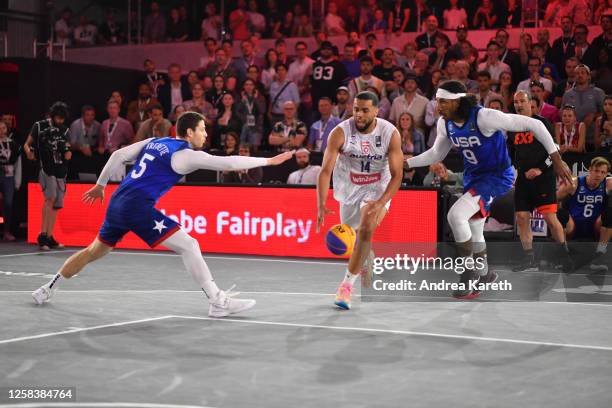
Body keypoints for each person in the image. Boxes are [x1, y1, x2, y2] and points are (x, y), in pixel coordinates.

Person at [32, 112, 292, 316]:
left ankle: (47, 288)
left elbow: (120, 155)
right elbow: (229, 163)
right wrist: (269, 161)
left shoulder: (156, 142)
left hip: (118, 201)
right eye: (202, 129)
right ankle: (217, 301)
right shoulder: (186, 155)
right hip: (137, 206)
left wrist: (101, 185)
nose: (204, 134)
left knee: (93, 252)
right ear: (189, 132)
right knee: (189, 245)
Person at [406, 81, 572, 299]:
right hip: (474, 177)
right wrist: (405, 163)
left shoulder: (484, 117)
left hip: (497, 176)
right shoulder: (444, 123)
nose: (438, 106)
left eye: (443, 101)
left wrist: (556, 158)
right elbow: (436, 154)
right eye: (437, 101)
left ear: (457, 102)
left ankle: (468, 273)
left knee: (455, 216)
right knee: (474, 228)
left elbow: (536, 126)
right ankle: (484, 274)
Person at [317, 91, 403, 310]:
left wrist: (382, 201)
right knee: (353, 235)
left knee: (366, 228)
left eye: (365, 110)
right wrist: (320, 203)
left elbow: (397, 174)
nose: (359, 114)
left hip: (378, 186)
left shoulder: (389, 133)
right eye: (356, 109)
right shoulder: (339, 132)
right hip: (349, 187)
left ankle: (345, 287)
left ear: (377, 111)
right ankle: (366, 254)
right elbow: (325, 170)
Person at [508, 91, 572, 272]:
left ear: (530, 104)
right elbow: (511, 153)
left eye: (522, 101)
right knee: (521, 217)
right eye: (515, 102)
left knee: (550, 219)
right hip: (523, 180)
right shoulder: (512, 127)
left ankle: (565, 257)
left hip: (543, 179)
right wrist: (515, 171)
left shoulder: (541, 123)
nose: (519, 104)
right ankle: (529, 259)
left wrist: (540, 169)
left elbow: (555, 151)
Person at [23, 102, 73, 250]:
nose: (60, 121)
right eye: (58, 118)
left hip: (60, 170)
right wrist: (29, 153)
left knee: (56, 204)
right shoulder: (39, 126)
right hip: (46, 168)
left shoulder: (64, 131)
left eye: (62, 119)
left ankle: (50, 237)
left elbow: (68, 154)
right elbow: (27, 144)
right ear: (52, 116)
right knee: (49, 198)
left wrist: (66, 150)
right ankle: (42, 236)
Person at [557, 157, 611, 244]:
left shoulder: (608, 183)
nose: (599, 175)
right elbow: (553, 199)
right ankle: (563, 249)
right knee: (561, 214)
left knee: (610, 214)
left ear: (606, 174)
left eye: (603, 172)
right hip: (573, 225)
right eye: (596, 171)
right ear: (589, 170)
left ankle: (601, 249)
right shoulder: (574, 183)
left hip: (596, 227)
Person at [0, 120, 20, 241]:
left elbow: (18, 164)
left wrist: (17, 181)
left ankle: (6, 231)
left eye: (3, 128)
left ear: (6, 129)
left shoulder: (13, 144)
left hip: (9, 177)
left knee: (8, 204)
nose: (1, 130)